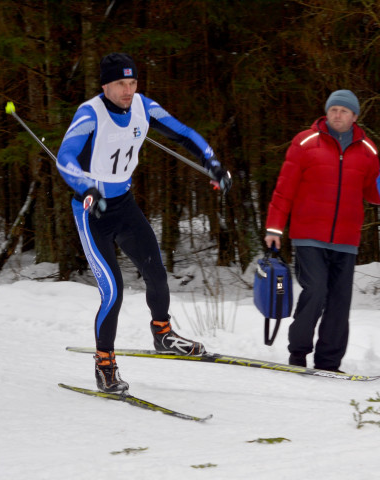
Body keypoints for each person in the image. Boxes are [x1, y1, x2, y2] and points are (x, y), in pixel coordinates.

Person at [57, 52, 232, 392]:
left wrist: (212, 162)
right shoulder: (89, 113)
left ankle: (163, 334)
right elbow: (65, 157)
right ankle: (104, 365)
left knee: (156, 271)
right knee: (113, 292)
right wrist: (85, 186)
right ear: (105, 85)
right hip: (92, 211)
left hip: (124, 205)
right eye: (121, 83)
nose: (128, 89)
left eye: (133, 82)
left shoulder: (143, 106)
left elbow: (184, 133)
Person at [264, 89, 380, 372]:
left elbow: (373, 192)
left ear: (354, 116)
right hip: (308, 236)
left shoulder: (368, 151)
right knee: (315, 291)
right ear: (326, 112)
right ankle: (298, 354)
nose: (337, 115)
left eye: (343, 111)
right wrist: (274, 228)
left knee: (340, 304)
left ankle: (329, 363)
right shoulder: (305, 142)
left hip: (346, 239)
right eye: (333, 110)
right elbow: (284, 188)